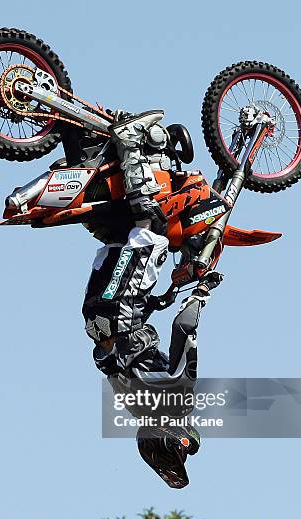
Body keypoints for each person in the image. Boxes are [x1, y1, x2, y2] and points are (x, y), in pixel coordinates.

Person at [82, 110, 223, 487]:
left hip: (121, 307)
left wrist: (203, 294)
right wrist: (162, 298)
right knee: (115, 231)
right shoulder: (135, 407)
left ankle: (128, 142)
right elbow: (121, 356)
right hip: (99, 314)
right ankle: (88, 150)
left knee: (153, 227)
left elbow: (183, 328)